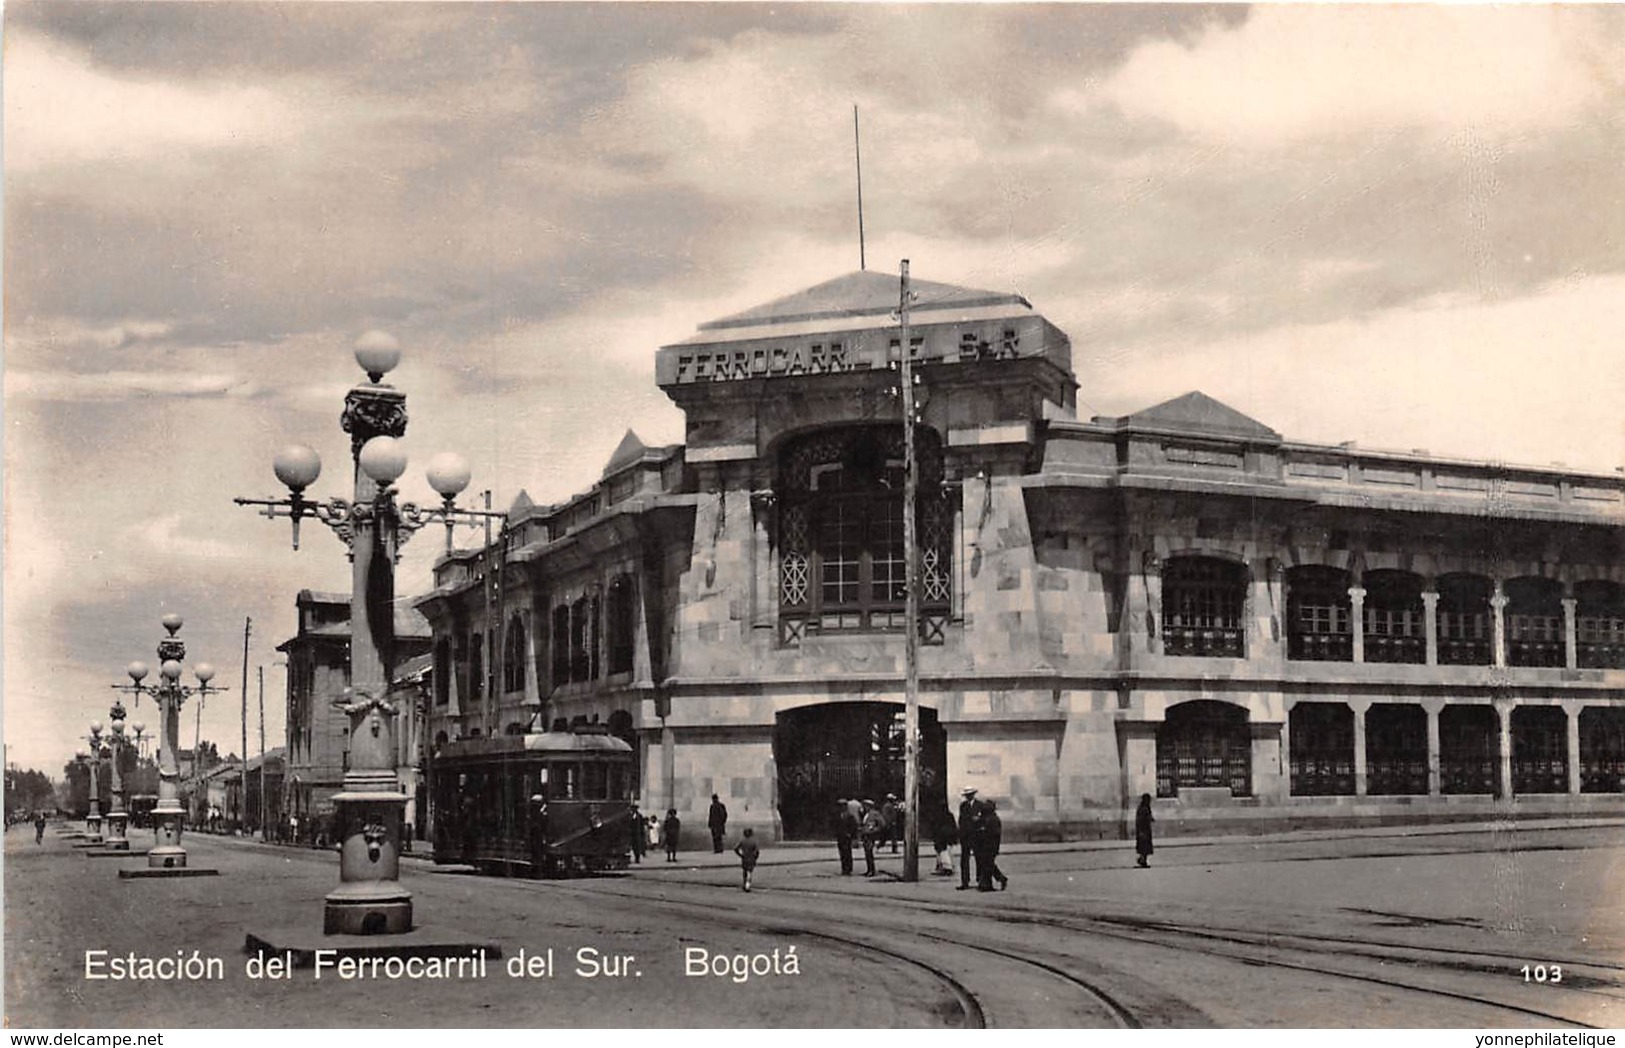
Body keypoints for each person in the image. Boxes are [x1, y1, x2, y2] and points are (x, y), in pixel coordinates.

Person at [976, 798, 1008, 891]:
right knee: (987, 864)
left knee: (987, 864)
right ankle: (989, 883)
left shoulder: (993, 819)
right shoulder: (986, 818)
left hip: (991, 846)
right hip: (984, 845)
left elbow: (994, 833)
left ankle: (990, 883)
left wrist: (984, 830)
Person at [955, 787, 979, 890]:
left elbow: (983, 819)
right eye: (967, 795)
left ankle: (980, 880)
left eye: (970, 794)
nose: (968, 796)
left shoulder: (979, 805)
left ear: (973, 794)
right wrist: (960, 833)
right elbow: (961, 820)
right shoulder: (963, 806)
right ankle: (965, 881)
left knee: (979, 859)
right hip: (965, 836)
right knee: (964, 860)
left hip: (976, 836)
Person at [930, 796, 958, 876]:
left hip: (941, 837)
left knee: (942, 852)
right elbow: (954, 826)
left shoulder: (938, 816)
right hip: (948, 837)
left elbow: (936, 826)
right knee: (947, 852)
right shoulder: (950, 815)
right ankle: (944, 866)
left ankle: (946, 867)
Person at [859, 799, 884, 876]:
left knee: (869, 853)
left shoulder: (875, 814)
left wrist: (875, 830)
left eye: (865, 806)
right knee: (867, 853)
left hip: (871, 836)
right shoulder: (866, 814)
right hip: (866, 835)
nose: (864, 807)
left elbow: (882, 824)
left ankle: (871, 871)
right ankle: (869, 869)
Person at [733, 827, 760, 892]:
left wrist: (740, 854)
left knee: (745, 872)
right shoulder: (754, 842)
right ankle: (748, 885)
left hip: (744, 858)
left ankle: (745, 883)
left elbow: (735, 848)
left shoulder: (742, 841)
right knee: (749, 872)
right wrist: (755, 857)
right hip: (751, 858)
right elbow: (757, 851)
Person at [833, 797, 855, 875]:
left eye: (842, 805)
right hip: (840, 836)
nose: (841, 807)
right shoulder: (838, 815)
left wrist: (850, 834)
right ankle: (844, 868)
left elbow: (853, 826)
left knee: (847, 852)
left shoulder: (849, 816)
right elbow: (835, 825)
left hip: (847, 837)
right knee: (842, 852)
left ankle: (848, 868)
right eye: (840, 806)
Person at [1135, 793, 1154, 868]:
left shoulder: (1145, 807)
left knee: (1144, 847)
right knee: (1144, 847)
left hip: (1145, 830)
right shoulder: (1143, 808)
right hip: (1143, 830)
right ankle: (1142, 860)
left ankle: (1143, 860)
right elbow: (1140, 820)